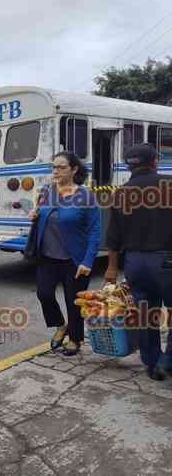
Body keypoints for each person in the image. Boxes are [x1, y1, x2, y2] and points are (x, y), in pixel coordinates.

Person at [104, 143, 172, 381]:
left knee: (145, 315)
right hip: (166, 260)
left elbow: (113, 237)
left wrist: (112, 268)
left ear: (128, 166)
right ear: (154, 161)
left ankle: (152, 364)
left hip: (134, 263)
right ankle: (167, 361)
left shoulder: (120, 193)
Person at [29, 151, 101, 356]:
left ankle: (75, 339)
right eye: (54, 167)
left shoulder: (86, 196)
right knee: (44, 294)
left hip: (75, 260)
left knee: (73, 301)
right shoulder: (47, 191)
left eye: (61, 167)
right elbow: (41, 212)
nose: (56, 171)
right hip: (47, 256)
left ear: (74, 169)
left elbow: (95, 232)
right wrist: (35, 214)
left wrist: (88, 261)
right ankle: (61, 325)